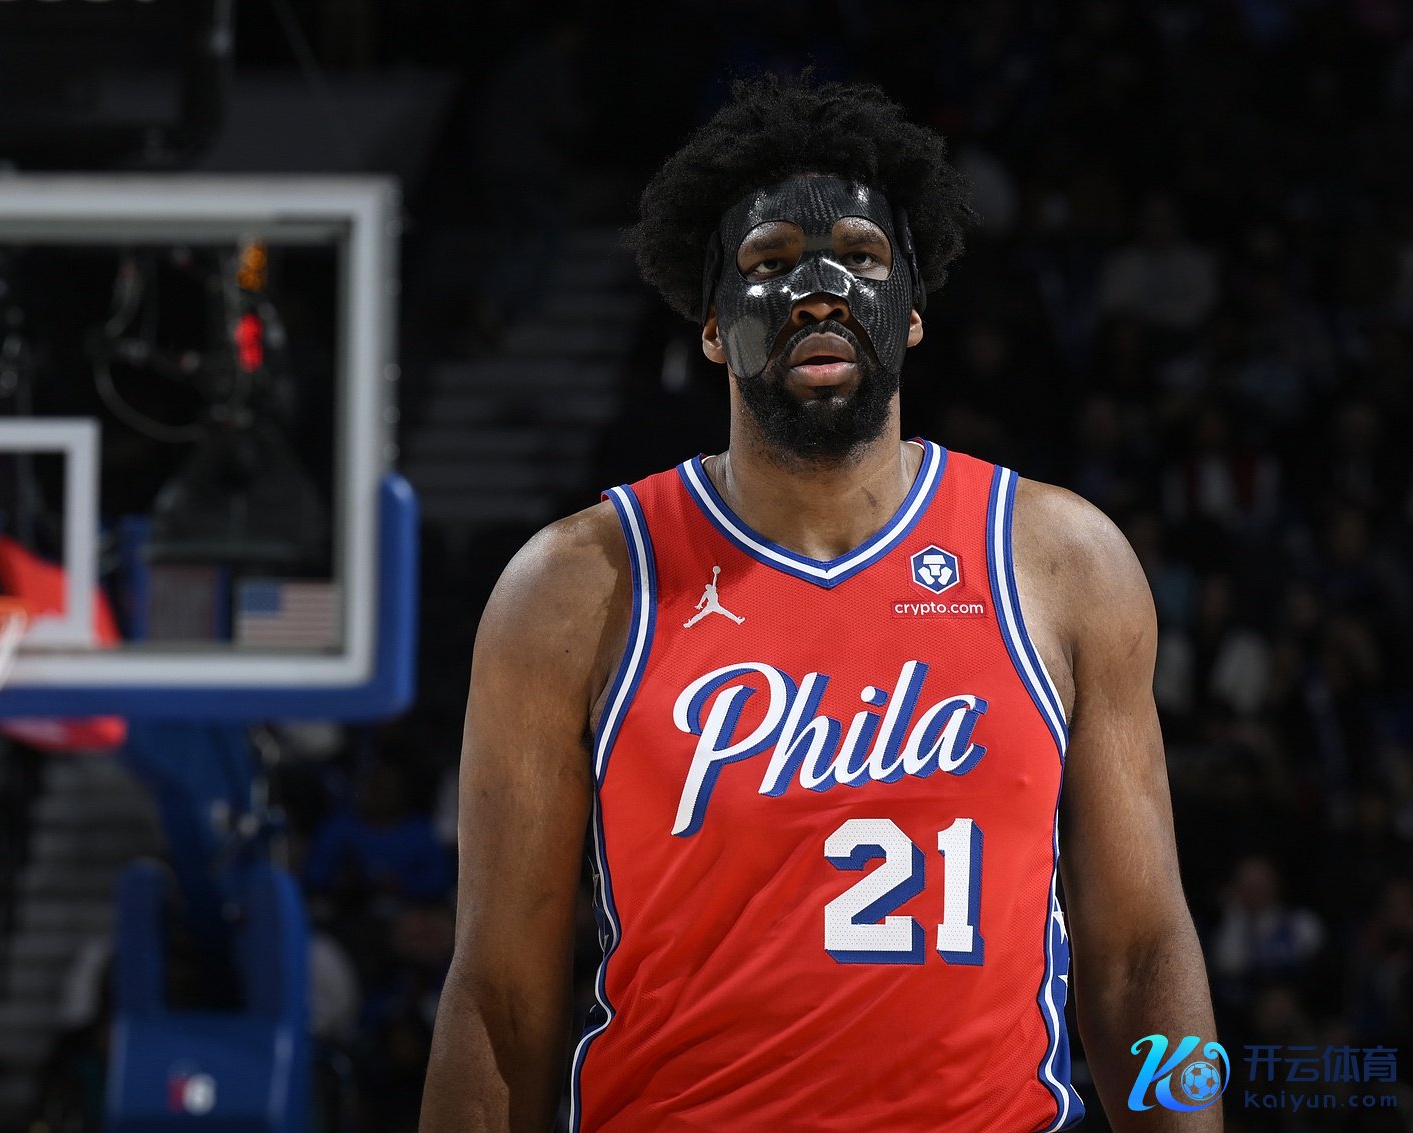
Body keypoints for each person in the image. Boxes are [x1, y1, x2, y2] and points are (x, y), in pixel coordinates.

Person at [421, 76, 1221, 1131]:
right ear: (712, 326)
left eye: (861, 256)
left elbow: (1143, 952)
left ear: (912, 310)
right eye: (768, 264)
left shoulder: (1061, 561)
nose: (818, 291)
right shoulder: (572, 589)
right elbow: (500, 998)